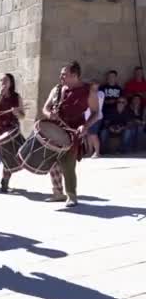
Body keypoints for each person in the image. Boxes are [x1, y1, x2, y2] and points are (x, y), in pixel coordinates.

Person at [42, 61, 99, 207]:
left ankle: (71, 195)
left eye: (64, 74)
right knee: (52, 161)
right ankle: (57, 192)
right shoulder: (57, 89)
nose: (60, 76)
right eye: (61, 74)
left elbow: (95, 113)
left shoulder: (89, 91)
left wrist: (85, 126)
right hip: (56, 128)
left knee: (68, 163)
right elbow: (45, 108)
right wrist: (50, 115)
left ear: (74, 75)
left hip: (74, 132)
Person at [84, 82, 105, 158]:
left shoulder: (100, 93)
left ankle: (97, 152)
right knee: (88, 135)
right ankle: (90, 151)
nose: (94, 88)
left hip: (96, 117)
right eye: (93, 86)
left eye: (96, 86)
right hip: (87, 117)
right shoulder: (88, 93)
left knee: (93, 135)